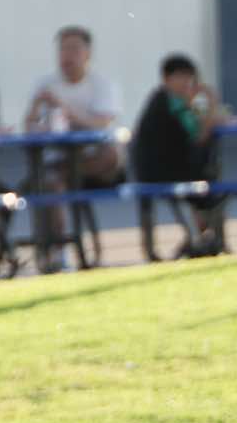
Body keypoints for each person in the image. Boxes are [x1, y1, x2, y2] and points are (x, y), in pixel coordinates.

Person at [23, 25, 126, 267]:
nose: (67, 55)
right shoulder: (46, 84)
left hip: (96, 166)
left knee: (111, 153)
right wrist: (37, 106)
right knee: (52, 185)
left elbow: (101, 124)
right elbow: (29, 127)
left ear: (87, 53)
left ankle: (64, 246)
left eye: (73, 49)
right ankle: (58, 249)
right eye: (63, 49)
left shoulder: (102, 85)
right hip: (59, 160)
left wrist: (65, 109)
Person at [130, 53, 226, 255]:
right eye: (180, 77)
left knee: (209, 179)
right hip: (163, 173)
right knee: (209, 181)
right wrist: (211, 105)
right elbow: (200, 135)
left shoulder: (169, 100)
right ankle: (205, 239)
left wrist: (204, 110)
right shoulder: (172, 104)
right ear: (166, 79)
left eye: (189, 77)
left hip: (167, 170)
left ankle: (202, 237)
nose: (186, 83)